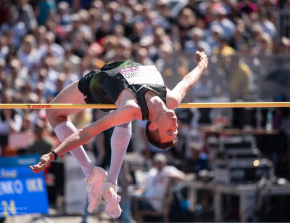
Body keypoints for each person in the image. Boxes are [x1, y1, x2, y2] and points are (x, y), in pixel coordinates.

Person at [30, 50, 208, 218]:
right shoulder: (171, 100)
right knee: (127, 112)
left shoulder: (131, 108)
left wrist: (54, 153)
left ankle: (92, 174)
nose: (175, 125)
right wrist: (202, 65)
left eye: (169, 130)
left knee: (53, 113)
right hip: (121, 79)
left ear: (153, 126)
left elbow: (87, 132)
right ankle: (109, 182)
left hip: (96, 87)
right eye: (174, 131)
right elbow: (187, 81)